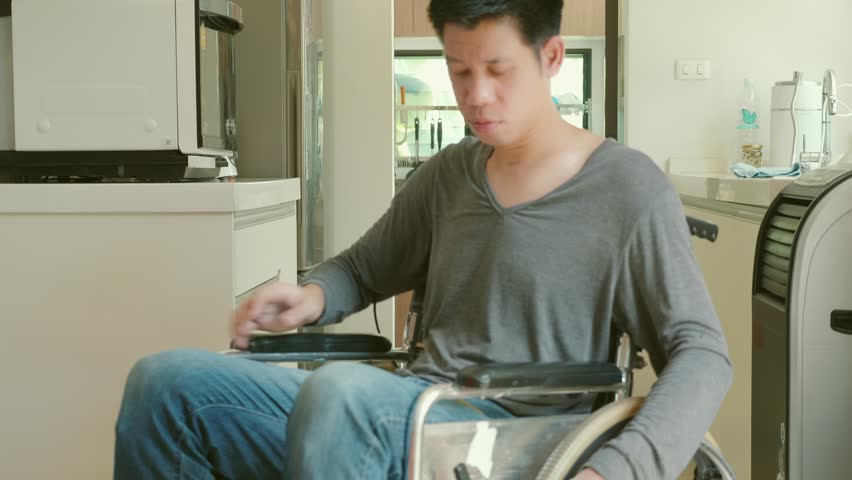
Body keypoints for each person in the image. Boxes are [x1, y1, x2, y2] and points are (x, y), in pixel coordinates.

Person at [114, 1, 732, 478]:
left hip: (516, 440)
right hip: (409, 410)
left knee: (341, 396)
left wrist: (619, 468)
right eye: (459, 71)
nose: (475, 96)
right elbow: (360, 270)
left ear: (551, 57)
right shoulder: (449, 175)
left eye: (497, 70)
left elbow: (701, 353)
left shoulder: (627, 188)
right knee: (165, 384)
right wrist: (311, 297)